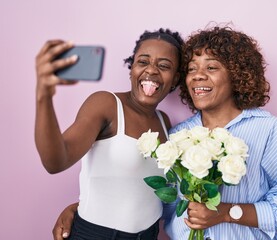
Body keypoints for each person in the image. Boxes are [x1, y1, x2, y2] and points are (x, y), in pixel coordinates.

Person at [52, 25, 277, 240]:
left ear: (237, 75)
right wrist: (82, 211)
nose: (197, 76)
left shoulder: (269, 132)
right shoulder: (177, 135)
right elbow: (149, 196)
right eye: (192, 69)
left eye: (211, 68)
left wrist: (227, 213)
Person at [34, 28, 184, 240]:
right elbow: (56, 161)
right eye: (143, 62)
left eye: (164, 66)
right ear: (131, 68)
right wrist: (44, 96)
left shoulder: (164, 121)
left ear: (175, 78)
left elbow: (133, 185)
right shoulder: (105, 104)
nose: (151, 71)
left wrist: (76, 206)